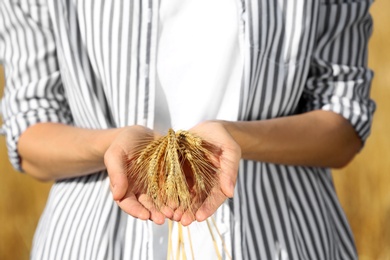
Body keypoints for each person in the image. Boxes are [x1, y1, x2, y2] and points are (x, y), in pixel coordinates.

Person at [0, 0, 375, 259]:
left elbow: (342, 122)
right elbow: (30, 129)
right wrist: (112, 146)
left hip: (282, 241)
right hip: (92, 245)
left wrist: (238, 138)